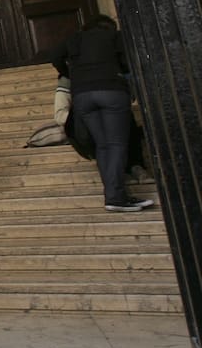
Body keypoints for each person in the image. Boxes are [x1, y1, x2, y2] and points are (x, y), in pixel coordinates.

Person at [49, 15, 153, 212]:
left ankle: (112, 196)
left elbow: (54, 55)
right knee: (116, 144)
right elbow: (131, 58)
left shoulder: (75, 38)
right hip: (111, 90)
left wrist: (72, 73)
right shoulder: (114, 37)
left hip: (82, 96)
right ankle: (116, 196)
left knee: (103, 146)